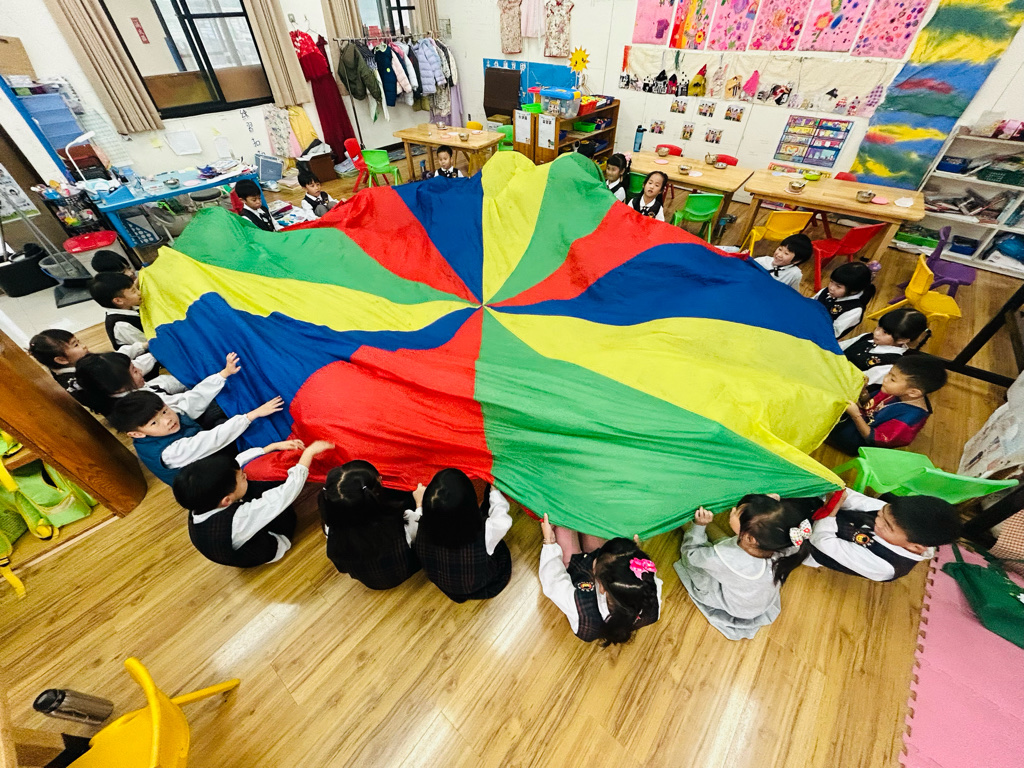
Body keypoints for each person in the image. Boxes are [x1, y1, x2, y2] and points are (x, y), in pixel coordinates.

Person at [173, 439, 334, 568]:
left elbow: (235, 463)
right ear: (227, 500)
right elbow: (285, 493)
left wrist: (271, 447)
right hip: (270, 543)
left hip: (227, 540)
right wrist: (308, 453)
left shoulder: (201, 499)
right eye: (241, 478)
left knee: (253, 481)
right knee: (270, 486)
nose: (244, 475)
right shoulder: (237, 520)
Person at [674, 495, 813, 640]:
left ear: (750, 538)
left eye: (737, 512)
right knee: (723, 542)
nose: (732, 510)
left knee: (698, 561)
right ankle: (701, 522)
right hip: (755, 601)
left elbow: (691, 553)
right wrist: (771, 507)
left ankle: (684, 518)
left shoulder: (729, 560)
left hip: (737, 606)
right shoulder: (783, 545)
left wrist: (699, 526)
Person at [108, 383, 284, 486]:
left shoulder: (166, 419)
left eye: (164, 411)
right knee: (230, 429)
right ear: (137, 434)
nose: (167, 420)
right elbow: (213, 440)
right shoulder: (170, 453)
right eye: (154, 423)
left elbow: (192, 402)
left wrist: (222, 375)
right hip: (209, 478)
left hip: (198, 443)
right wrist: (253, 414)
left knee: (216, 409)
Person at [539, 514, 662, 645]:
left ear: (601, 587)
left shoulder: (579, 608)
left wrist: (549, 542)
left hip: (576, 575)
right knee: (592, 518)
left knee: (561, 520)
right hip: (604, 573)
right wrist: (633, 552)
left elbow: (553, 580)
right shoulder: (650, 597)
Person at [805, 490, 961, 582]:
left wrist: (831, 509)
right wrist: (833, 493)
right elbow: (854, 500)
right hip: (826, 516)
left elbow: (822, 542)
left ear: (915, 547)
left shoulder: (887, 566)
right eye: (881, 513)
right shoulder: (894, 514)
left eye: (887, 526)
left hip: (810, 547)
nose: (878, 521)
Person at [411, 469, 512, 602]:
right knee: (500, 552)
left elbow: (419, 517)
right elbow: (502, 518)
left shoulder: (419, 527)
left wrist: (419, 505)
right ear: (470, 505)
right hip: (482, 584)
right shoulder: (486, 533)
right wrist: (494, 491)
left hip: (447, 585)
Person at [319, 460, 421, 589]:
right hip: (404, 571)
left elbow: (343, 568)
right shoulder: (401, 521)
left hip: (370, 582)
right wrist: (419, 503)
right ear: (373, 495)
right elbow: (419, 529)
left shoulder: (331, 530)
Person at [829, 354, 947, 454]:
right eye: (889, 374)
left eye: (893, 379)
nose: (885, 379)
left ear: (913, 392)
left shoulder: (909, 418)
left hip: (855, 440)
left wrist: (856, 416)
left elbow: (872, 439)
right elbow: (868, 405)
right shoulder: (896, 391)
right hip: (855, 420)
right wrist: (863, 392)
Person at [76, 351, 228, 428]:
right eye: (134, 371)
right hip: (187, 420)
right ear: (119, 386)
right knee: (225, 400)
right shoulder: (140, 404)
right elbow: (188, 406)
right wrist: (219, 377)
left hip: (183, 408)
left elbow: (165, 383)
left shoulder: (118, 391)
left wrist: (157, 349)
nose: (140, 371)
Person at [28, 329, 111, 414]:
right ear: (62, 360)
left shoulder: (77, 360)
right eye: (76, 345)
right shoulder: (74, 382)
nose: (83, 346)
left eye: (78, 342)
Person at [840, 308, 929, 386]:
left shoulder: (890, 364)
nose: (877, 333)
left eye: (885, 332)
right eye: (878, 327)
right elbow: (839, 347)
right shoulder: (867, 337)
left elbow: (857, 382)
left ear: (902, 340)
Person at [87, 272, 148, 353]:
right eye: (133, 291)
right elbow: (149, 345)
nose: (139, 292)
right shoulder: (122, 325)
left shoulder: (130, 307)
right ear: (118, 301)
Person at [811, 262, 875, 339]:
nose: (831, 288)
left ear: (853, 290)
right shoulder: (827, 291)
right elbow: (810, 302)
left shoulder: (854, 310)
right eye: (831, 282)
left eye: (838, 286)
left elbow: (833, 333)